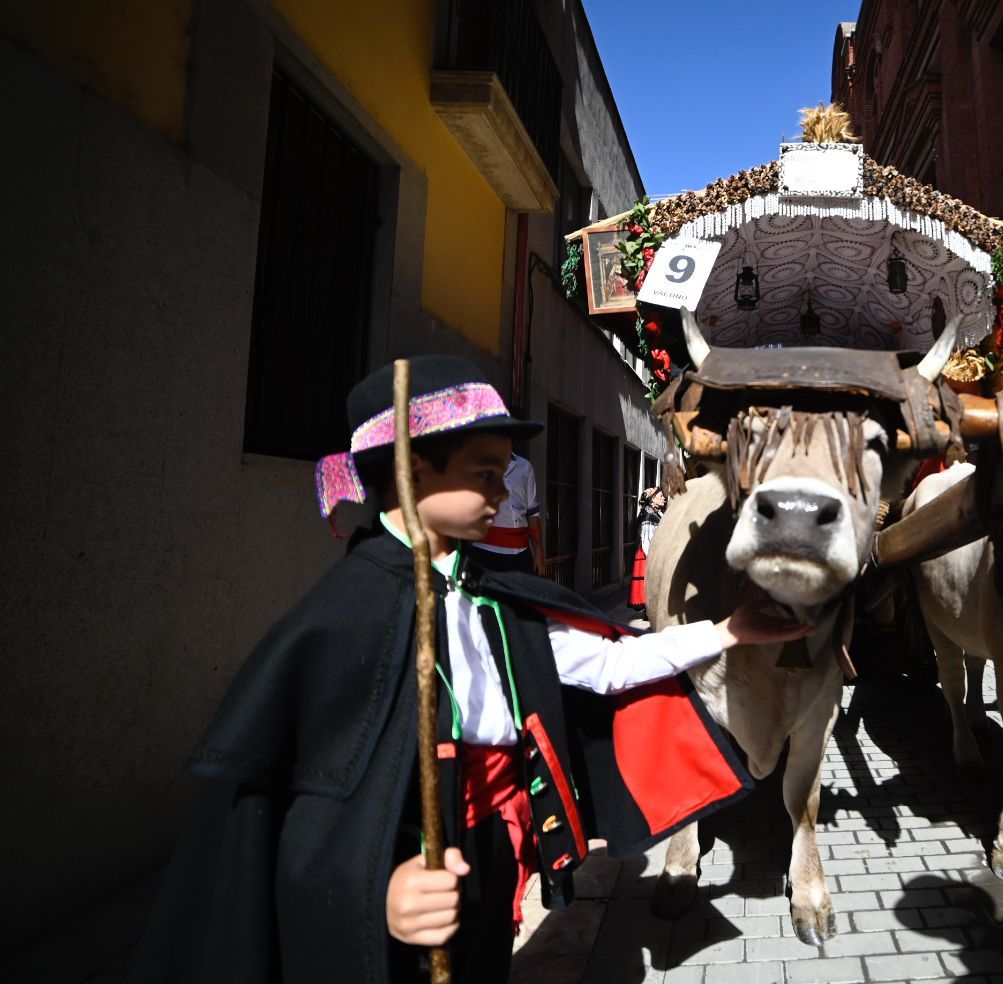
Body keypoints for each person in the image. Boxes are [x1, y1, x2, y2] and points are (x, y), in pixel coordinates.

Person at [130, 356, 811, 983]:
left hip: (500, 835)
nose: (504, 493)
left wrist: (727, 631)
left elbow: (608, 665)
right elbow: (297, 817)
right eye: (486, 472)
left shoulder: (496, 590)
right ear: (412, 470)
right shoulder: (340, 619)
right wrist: (375, 887)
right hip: (409, 855)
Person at [470, 449, 543, 574]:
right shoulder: (477, 466)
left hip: (521, 555)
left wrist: (539, 552)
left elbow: (533, 513)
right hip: (485, 552)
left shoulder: (525, 467)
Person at [628, 486, 665, 612]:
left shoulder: (655, 513)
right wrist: (653, 559)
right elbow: (647, 540)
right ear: (653, 499)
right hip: (648, 556)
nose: (663, 498)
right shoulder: (649, 515)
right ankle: (649, 610)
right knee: (649, 585)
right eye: (661, 496)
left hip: (654, 554)